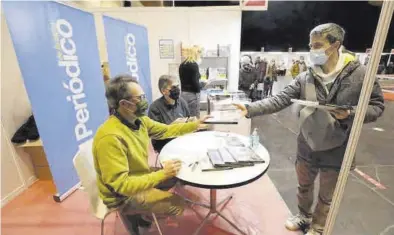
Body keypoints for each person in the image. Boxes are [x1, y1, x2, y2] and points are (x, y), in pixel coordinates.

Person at [233, 23, 384, 235]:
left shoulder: (360, 75)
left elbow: (377, 106)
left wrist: (351, 113)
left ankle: (318, 227)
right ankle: (304, 217)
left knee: (326, 195)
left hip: (337, 146)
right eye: (310, 45)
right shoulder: (307, 76)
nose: (312, 49)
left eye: (317, 45)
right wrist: (250, 109)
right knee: (303, 187)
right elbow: (282, 98)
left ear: (335, 45)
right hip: (307, 144)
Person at [93, 75, 210, 235]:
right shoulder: (110, 137)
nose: (144, 101)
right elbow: (122, 186)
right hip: (122, 196)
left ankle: (141, 217)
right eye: (140, 98)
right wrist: (162, 174)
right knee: (178, 204)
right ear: (124, 104)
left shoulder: (139, 120)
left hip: (139, 176)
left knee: (178, 174)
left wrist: (194, 125)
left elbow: (166, 130)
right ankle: (134, 216)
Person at [148, 75, 190, 153]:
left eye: (178, 86)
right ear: (164, 91)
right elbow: (155, 135)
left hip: (183, 142)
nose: (177, 89)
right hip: (165, 146)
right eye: (174, 87)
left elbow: (188, 119)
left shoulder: (182, 102)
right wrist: (171, 126)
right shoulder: (155, 108)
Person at [179, 46, 202, 118]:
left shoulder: (182, 65)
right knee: (194, 117)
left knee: (186, 116)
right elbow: (195, 84)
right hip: (192, 95)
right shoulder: (194, 65)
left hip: (183, 94)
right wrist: (203, 85)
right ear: (196, 54)